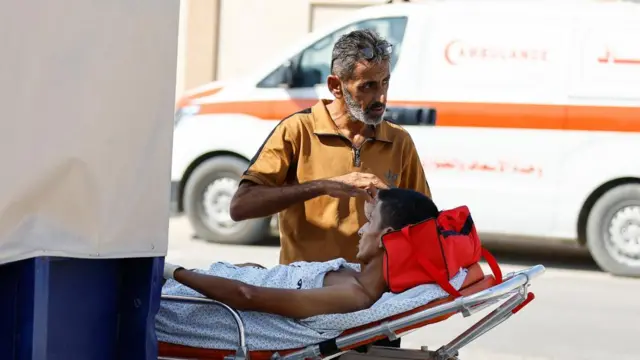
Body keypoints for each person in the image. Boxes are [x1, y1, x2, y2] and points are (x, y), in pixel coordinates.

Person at [229, 29, 432, 268]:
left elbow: (426, 226)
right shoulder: (297, 130)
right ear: (336, 86)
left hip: (372, 295)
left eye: (385, 82)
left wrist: (392, 201)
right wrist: (323, 186)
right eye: (368, 86)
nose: (382, 97)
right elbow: (240, 206)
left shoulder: (399, 141)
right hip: (304, 292)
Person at [163, 187, 440, 320]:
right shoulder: (351, 274)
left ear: (386, 236)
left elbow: (247, 296)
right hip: (199, 284)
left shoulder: (354, 295)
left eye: (370, 222)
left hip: (183, 302)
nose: (360, 230)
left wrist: (173, 271)